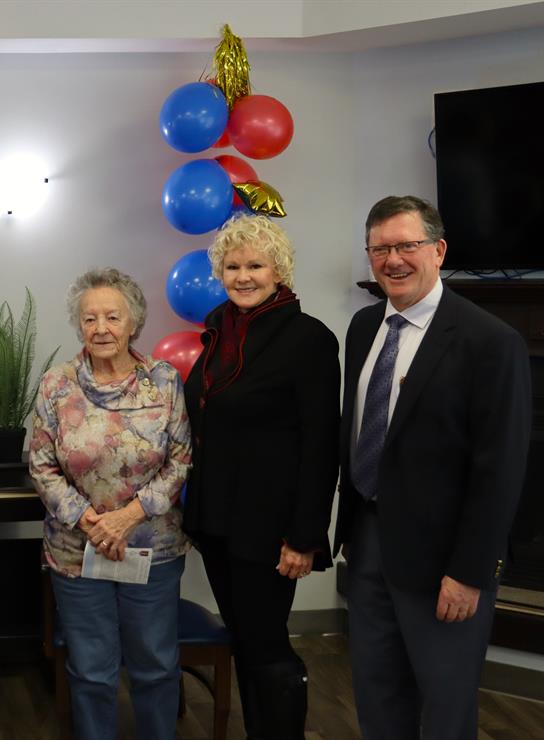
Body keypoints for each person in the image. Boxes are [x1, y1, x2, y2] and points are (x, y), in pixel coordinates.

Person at [335, 196, 531, 740]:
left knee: (444, 711)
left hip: (447, 564)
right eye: (380, 249)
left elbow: (501, 471)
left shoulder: (490, 342)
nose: (393, 259)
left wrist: (470, 571)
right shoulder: (362, 326)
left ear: (438, 250)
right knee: (376, 697)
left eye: (406, 245)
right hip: (369, 546)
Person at [182, 215, 340, 738]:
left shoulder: (308, 339)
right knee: (246, 643)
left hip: (271, 533)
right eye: (232, 266)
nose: (243, 275)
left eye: (255, 265)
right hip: (219, 525)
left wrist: (304, 538)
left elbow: (321, 448)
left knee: (268, 649)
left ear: (280, 271)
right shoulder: (218, 330)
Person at [30, 267, 191, 740]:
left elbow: (180, 460)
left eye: (112, 317)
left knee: (157, 667)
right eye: (90, 318)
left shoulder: (162, 381)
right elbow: (42, 466)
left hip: (152, 551)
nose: (101, 328)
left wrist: (126, 518)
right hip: (77, 554)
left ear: (133, 322)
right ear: (79, 325)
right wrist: (92, 523)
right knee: (92, 671)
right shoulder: (56, 385)